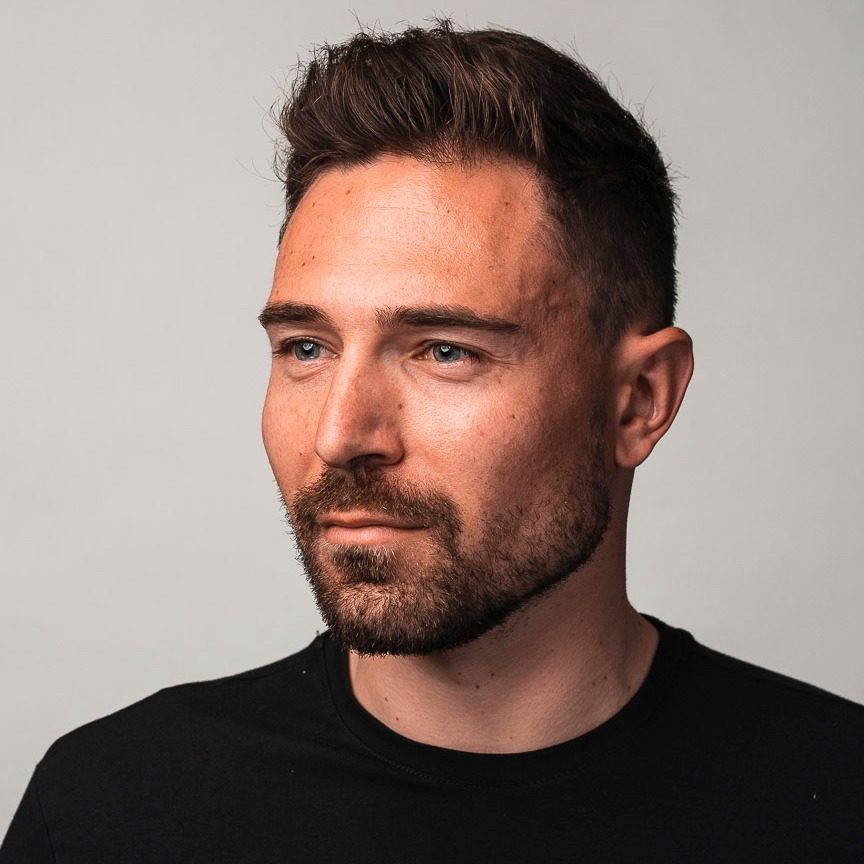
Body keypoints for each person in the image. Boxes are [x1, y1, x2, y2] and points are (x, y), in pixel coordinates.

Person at [2, 21, 862, 863]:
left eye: (446, 351)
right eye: (306, 348)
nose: (341, 435)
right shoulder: (109, 814)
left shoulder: (835, 802)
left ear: (638, 401)